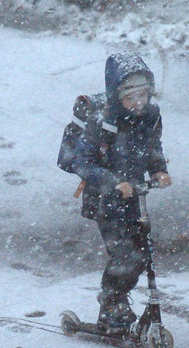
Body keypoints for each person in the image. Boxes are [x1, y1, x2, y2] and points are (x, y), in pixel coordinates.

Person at [73, 52, 171, 331]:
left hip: (135, 195)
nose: (139, 103)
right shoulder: (101, 120)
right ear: (118, 96)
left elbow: (153, 147)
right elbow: (83, 161)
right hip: (105, 198)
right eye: (131, 97)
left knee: (143, 253)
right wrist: (112, 182)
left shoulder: (150, 115)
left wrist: (158, 170)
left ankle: (118, 298)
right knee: (124, 254)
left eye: (144, 95)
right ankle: (111, 304)